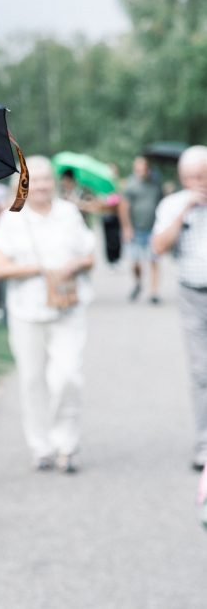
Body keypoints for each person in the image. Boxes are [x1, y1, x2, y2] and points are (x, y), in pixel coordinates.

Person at [0, 156, 95, 473]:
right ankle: (41, 446)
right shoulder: (11, 219)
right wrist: (40, 269)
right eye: (35, 179)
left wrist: (71, 266)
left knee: (67, 377)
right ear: (22, 183)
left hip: (68, 308)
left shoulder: (69, 214)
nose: (43, 185)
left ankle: (67, 444)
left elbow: (89, 256)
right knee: (32, 380)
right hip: (26, 311)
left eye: (47, 179)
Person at [152, 145, 207, 471]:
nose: (196, 182)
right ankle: (205, 444)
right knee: (202, 373)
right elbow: (158, 246)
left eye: (201, 176)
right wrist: (183, 210)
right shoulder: (173, 204)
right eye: (189, 178)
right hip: (192, 294)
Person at [120, 155, 164, 304]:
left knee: (154, 260)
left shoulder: (156, 184)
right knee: (136, 263)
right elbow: (123, 207)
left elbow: (162, 204)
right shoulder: (130, 185)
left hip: (153, 229)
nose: (140, 171)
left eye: (143, 168)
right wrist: (127, 227)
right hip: (135, 229)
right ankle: (138, 283)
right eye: (137, 169)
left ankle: (154, 292)